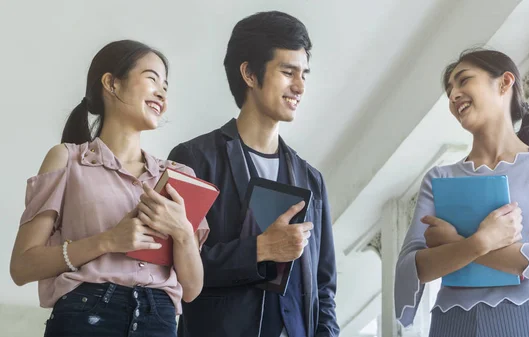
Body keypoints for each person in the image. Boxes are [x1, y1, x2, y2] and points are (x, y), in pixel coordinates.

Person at [10, 40, 209, 337]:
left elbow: (192, 290)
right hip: (85, 314)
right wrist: (107, 241)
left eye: (165, 86)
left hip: (159, 318)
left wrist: (181, 232)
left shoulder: (179, 177)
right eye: (152, 78)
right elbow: (22, 266)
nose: (162, 93)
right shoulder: (67, 160)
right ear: (112, 83)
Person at [168, 11, 339, 337]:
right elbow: (178, 269)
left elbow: (324, 285)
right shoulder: (194, 160)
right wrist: (260, 249)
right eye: (288, 72)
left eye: (304, 73)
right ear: (249, 73)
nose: (300, 85)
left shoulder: (311, 179)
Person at [394, 48, 529, 337]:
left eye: (464, 80)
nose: (454, 94)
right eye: (449, 90)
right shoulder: (439, 178)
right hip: (452, 324)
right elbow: (410, 269)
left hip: (528, 321)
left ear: (505, 83)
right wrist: (480, 242)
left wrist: (458, 243)